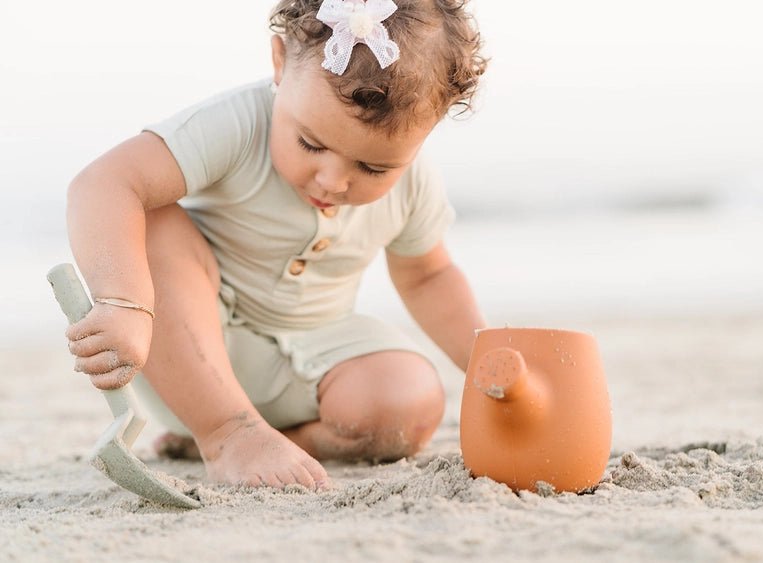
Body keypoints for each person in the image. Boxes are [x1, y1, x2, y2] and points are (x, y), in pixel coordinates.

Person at [64, 0, 487, 490]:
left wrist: (489, 368)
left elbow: (428, 277)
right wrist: (125, 303)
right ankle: (223, 432)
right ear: (280, 63)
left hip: (314, 358)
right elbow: (104, 183)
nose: (331, 181)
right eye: (311, 143)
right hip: (191, 354)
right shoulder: (239, 124)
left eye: (373, 168)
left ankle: (275, 439)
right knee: (154, 219)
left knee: (411, 399)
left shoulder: (415, 183)